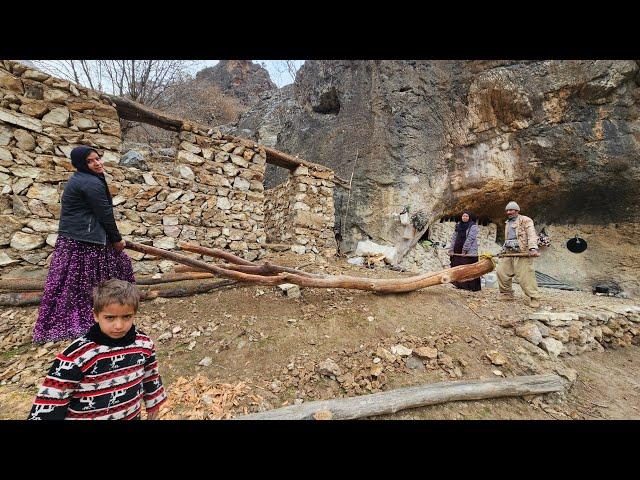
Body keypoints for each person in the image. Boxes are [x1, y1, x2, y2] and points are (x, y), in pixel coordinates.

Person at [33, 146, 134, 344]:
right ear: (81, 164)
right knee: (96, 277)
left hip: (77, 239)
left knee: (75, 283)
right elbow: (105, 214)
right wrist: (116, 240)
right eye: (90, 161)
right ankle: (94, 315)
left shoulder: (84, 179)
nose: (97, 163)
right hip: (83, 242)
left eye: (97, 158)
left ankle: (108, 311)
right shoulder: (89, 183)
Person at [28, 279, 167, 420]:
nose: (119, 325)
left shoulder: (143, 344)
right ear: (95, 315)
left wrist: (154, 402)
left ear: (134, 313)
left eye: (126, 316)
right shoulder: (77, 356)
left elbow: (151, 375)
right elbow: (52, 398)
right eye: (110, 318)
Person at [496, 201, 541, 308]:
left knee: (525, 276)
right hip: (509, 252)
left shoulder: (525, 220)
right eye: (507, 210)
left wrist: (533, 248)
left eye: (511, 210)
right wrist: (502, 250)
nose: (508, 212)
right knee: (501, 272)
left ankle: (534, 298)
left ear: (517, 210)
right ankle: (507, 294)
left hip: (522, 252)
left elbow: (531, 234)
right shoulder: (508, 222)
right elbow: (508, 239)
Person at [447, 210, 481, 291]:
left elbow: (470, 238)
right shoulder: (458, 225)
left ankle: (470, 287)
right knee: (457, 266)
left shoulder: (473, 226)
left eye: (466, 216)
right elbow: (454, 238)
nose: (464, 217)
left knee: (468, 267)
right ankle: (459, 285)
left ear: (469, 217)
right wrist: (451, 249)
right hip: (457, 249)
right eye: (463, 216)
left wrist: (464, 250)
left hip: (468, 251)